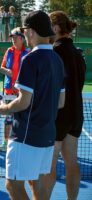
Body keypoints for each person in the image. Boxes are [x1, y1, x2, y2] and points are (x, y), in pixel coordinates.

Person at [0, 10, 65, 199]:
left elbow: (23, 102)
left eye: (25, 30)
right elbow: (60, 102)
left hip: (25, 135)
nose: (24, 34)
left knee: (12, 184)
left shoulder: (30, 59)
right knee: (39, 185)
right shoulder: (58, 60)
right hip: (47, 135)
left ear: (32, 32)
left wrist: (4, 109)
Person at [42, 11, 86, 200]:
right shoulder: (77, 54)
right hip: (75, 114)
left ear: (56, 28)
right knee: (72, 163)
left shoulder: (53, 52)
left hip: (58, 115)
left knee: (48, 167)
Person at [0, 27, 30, 152]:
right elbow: (2, 68)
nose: (13, 40)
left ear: (22, 39)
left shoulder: (28, 53)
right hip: (9, 92)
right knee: (8, 118)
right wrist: (7, 71)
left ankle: (22, 141)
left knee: (23, 118)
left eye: (15, 38)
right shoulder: (9, 51)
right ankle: (6, 142)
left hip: (22, 92)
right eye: (12, 38)